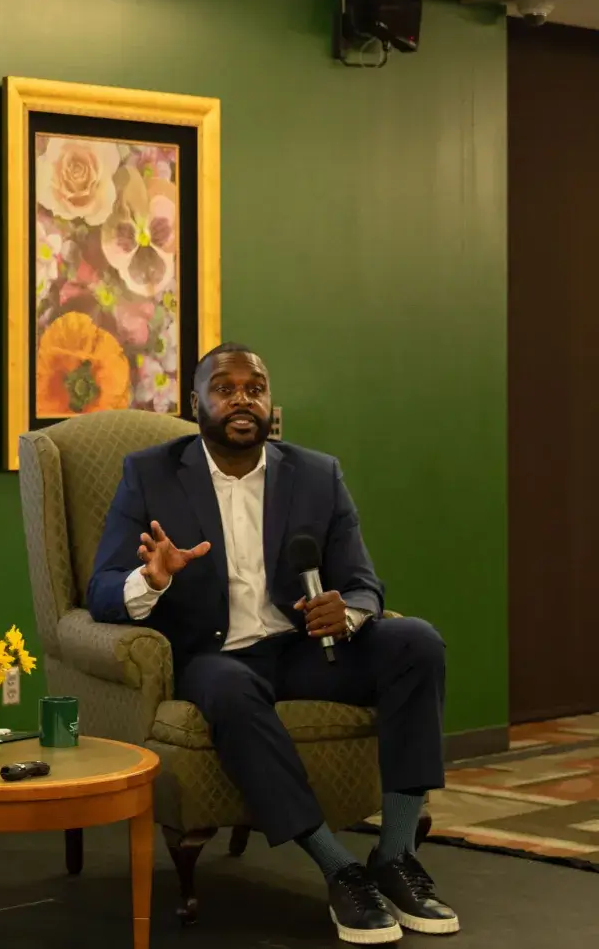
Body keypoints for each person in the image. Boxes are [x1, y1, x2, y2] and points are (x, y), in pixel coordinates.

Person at [87, 343, 456, 945]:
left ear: (268, 402)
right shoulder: (150, 474)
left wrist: (352, 612)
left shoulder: (316, 473)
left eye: (254, 389)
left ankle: (393, 857)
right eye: (225, 388)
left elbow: (364, 584)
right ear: (196, 403)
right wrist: (149, 581)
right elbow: (98, 589)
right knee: (230, 687)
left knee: (417, 641)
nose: (242, 400)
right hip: (215, 657)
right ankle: (339, 870)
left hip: (305, 649)